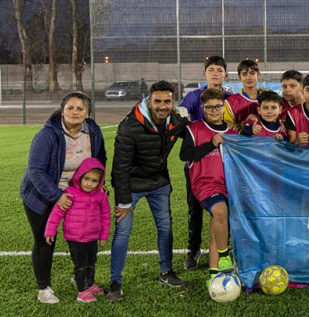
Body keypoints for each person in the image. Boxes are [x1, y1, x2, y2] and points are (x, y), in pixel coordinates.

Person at [20, 92, 106, 304]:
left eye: (80, 108)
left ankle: (82, 280)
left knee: (84, 238)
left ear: (87, 113)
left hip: (79, 195)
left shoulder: (93, 130)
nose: (74, 112)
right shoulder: (47, 135)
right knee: (45, 241)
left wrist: (99, 184)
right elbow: (36, 171)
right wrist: (57, 196)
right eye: (70, 107)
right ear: (62, 110)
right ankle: (44, 288)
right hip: (43, 194)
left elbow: (100, 159)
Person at [108, 81, 189, 301]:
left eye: (167, 101)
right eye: (158, 101)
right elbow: (120, 168)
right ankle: (115, 281)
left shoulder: (176, 121)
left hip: (159, 184)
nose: (162, 106)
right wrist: (123, 202)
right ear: (148, 101)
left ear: (173, 102)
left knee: (165, 227)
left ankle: (166, 272)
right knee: (123, 231)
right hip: (132, 185)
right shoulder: (130, 126)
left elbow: (194, 133)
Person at [179, 88, 238, 288]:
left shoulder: (231, 130)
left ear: (223, 107)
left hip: (229, 184)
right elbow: (185, 155)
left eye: (218, 106)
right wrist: (211, 144)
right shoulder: (194, 128)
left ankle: (214, 274)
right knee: (220, 211)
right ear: (202, 108)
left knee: (217, 224)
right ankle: (224, 255)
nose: (214, 110)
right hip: (205, 183)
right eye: (209, 107)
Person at [44, 157, 110, 303]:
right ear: (80, 177)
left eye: (94, 181)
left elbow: (106, 216)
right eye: (86, 178)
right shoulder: (70, 193)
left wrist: (104, 235)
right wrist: (50, 231)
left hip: (92, 236)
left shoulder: (101, 196)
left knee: (91, 261)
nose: (89, 183)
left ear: (99, 182)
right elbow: (57, 213)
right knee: (81, 264)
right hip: (74, 237)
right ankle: (82, 291)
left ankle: (90, 284)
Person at [224, 59, 263, 131]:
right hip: (240, 142)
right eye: (244, 74)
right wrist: (245, 123)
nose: (248, 77)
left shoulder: (268, 98)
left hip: (266, 141)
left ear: (258, 75)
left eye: (252, 73)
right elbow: (229, 131)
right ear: (239, 77)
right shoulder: (230, 102)